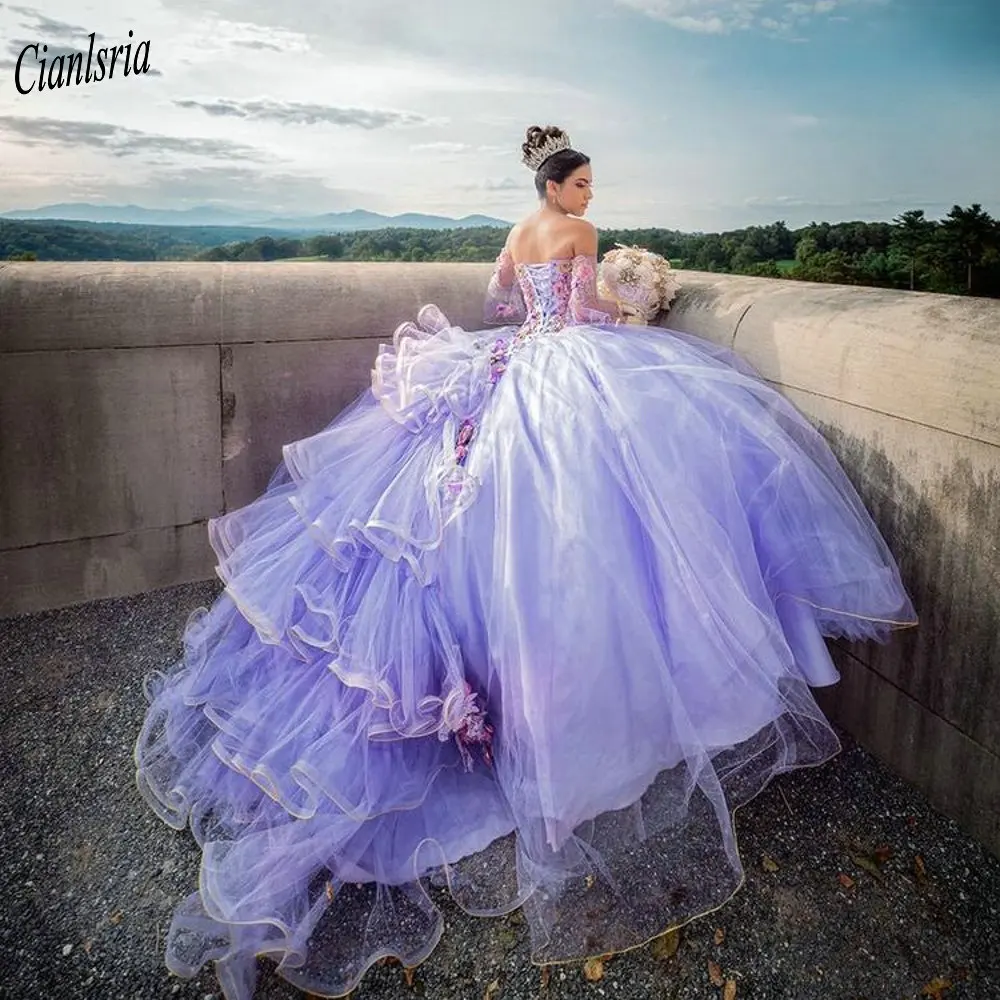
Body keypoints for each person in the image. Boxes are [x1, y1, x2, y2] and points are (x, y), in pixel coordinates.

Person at [135, 124, 917, 1000]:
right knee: (608, 508)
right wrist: (632, 308)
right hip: (567, 365)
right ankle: (603, 710)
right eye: (580, 184)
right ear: (556, 189)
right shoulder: (578, 235)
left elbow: (504, 303)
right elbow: (579, 312)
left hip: (514, 362)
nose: (588, 195)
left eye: (589, 186)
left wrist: (548, 315)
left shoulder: (516, 232)